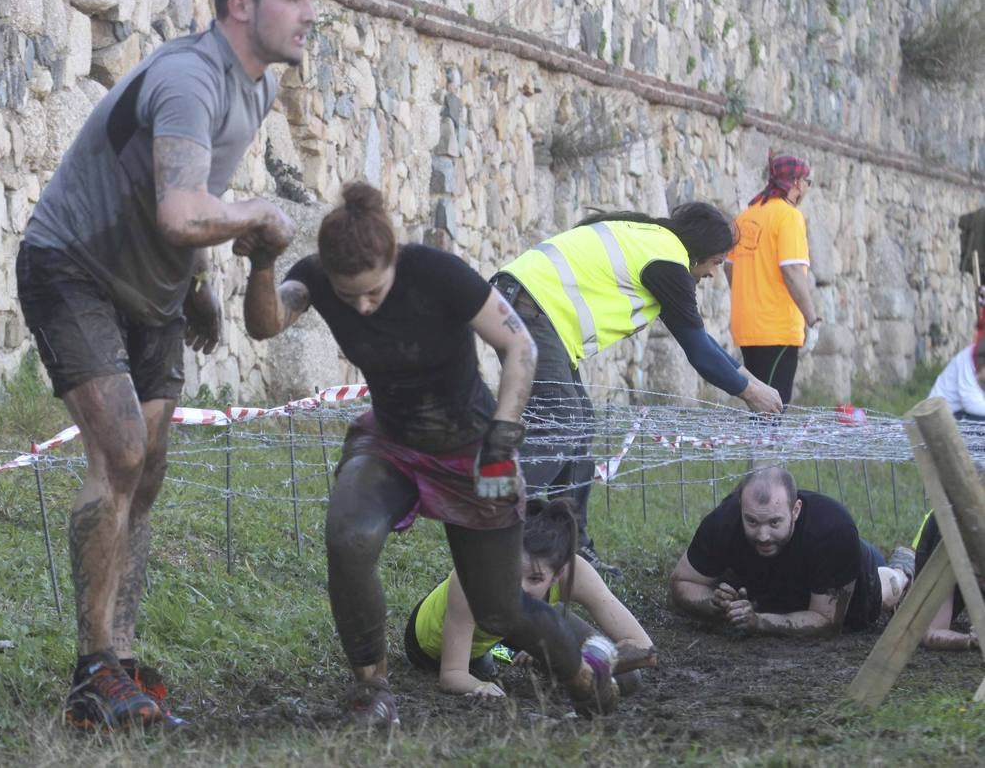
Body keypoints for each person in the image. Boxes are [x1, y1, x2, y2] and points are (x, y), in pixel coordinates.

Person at [15, 0, 315, 731]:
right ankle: (90, 675)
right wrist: (258, 213)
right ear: (241, 5)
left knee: (146, 475)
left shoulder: (254, 88)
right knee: (119, 455)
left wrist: (199, 290)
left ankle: (120, 653)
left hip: (154, 287)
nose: (310, 14)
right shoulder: (189, 79)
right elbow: (186, 212)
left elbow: (187, 194)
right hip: (73, 266)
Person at [245, 183, 618, 728]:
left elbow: (520, 346)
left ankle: (583, 675)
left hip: (472, 449)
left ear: (393, 258)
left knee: (499, 610)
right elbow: (265, 324)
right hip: (392, 442)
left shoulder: (437, 273)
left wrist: (502, 441)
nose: (363, 307)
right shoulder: (317, 277)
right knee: (348, 538)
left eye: (373, 292)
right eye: (351, 298)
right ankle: (372, 692)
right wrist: (261, 261)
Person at [491, 203, 784, 574]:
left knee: (579, 425)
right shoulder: (667, 263)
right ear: (699, 251)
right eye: (715, 262)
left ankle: (571, 549)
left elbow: (705, 344)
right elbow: (698, 351)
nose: (714, 273)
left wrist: (751, 380)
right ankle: (491, 519)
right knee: (562, 424)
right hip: (527, 309)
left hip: (527, 305)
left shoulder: (653, 243)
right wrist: (750, 393)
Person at [403, 498, 656, 698]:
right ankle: (512, 653)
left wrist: (583, 664)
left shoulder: (575, 571)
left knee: (627, 680)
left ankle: (529, 651)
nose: (519, 587)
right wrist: (479, 686)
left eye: (535, 578)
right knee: (485, 664)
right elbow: (452, 675)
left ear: (557, 574)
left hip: (513, 628)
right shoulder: (472, 576)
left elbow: (644, 647)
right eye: (512, 573)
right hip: (443, 648)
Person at [668, 463, 915, 636]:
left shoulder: (833, 530)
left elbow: (827, 622)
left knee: (889, 588)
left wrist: (759, 622)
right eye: (752, 521)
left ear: (795, 511)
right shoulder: (725, 520)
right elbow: (681, 582)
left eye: (774, 522)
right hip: (772, 586)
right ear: (741, 507)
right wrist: (714, 604)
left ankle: (904, 567)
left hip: (850, 575)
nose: (763, 535)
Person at [725, 153, 821, 405]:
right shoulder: (789, 216)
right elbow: (791, 271)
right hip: (776, 328)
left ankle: (759, 445)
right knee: (774, 408)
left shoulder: (746, 216)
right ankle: (767, 446)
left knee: (759, 406)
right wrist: (812, 319)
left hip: (746, 326)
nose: (807, 189)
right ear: (798, 183)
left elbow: (728, 267)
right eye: (808, 182)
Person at [912, 508, 982, 651]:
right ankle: (901, 568)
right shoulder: (949, 544)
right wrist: (970, 641)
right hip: (942, 551)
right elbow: (931, 633)